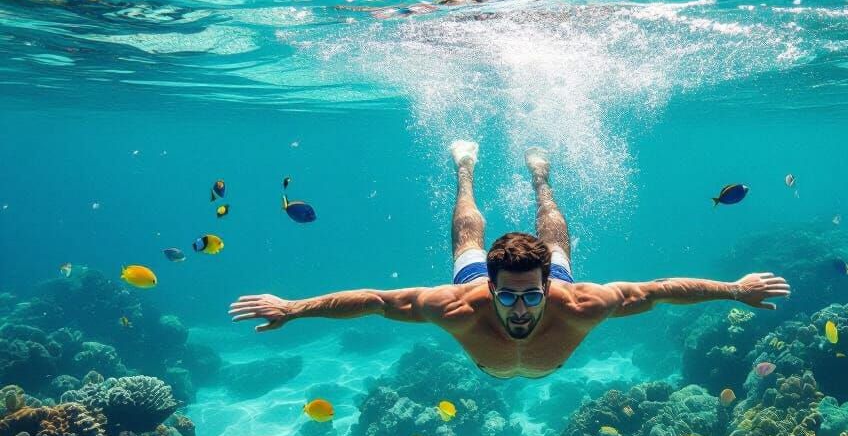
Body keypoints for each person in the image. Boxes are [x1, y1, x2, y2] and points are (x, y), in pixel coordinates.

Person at [228, 142, 790, 379]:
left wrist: (735, 290)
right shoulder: (458, 305)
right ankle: (465, 168)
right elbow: (376, 301)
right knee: (467, 239)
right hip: (480, 280)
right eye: (509, 294)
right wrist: (294, 308)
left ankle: (541, 177)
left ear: (546, 286)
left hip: (555, 277)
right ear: (492, 290)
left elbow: (661, 289)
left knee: (555, 232)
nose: (519, 307)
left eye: (530, 293)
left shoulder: (578, 302)